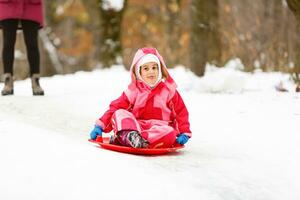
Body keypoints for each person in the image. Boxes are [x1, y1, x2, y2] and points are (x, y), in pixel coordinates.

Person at [90, 47, 192, 148]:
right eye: (146, 68)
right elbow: (115, 108)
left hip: (158, 130)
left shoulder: (169, 91)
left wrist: (184, 132)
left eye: (154, 67)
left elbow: (181, 112)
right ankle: (130, 137)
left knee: (170, 132)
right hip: (135, 128)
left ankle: (130, 140)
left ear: (160, 69)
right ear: (139, 72)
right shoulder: (134, 91)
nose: (151, 72)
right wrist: (100, 126)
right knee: (119, 113)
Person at [0, 0, 44, 95]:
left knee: (32, 44)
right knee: (8, 43)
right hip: (8, 5)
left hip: (31, 5)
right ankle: (8, 80)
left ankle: (35, 80)